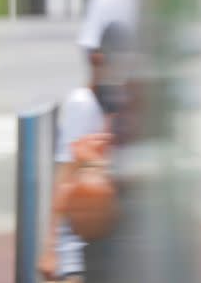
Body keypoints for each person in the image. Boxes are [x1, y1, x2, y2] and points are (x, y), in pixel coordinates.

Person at [38, 24, 134, 283]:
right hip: (77, 253)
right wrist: (50, 250)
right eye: (115, 64)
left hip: (104, 245)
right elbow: (65, 178)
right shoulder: (82, 103)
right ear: (97, 60)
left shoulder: (117, 105)